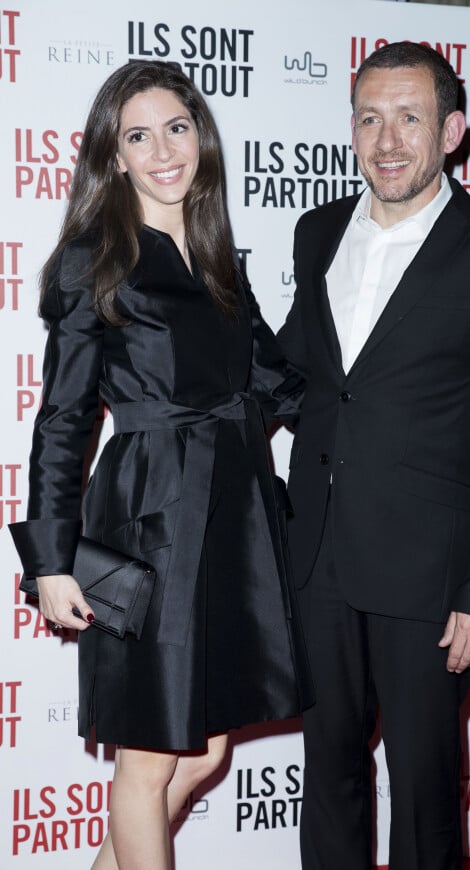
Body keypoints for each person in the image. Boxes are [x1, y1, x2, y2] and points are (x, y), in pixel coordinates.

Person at [10, 60, 312, 870]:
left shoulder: (216, 256)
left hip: (229, 516)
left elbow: (275, 378)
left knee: (206, 751)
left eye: (177, 127)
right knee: (147, 762)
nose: (163, 150)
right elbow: (64, 418)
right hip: (151, 517)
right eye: (137, 135)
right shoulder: (94, 258)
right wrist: (50, 561)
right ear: (114, 155)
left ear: (201, 137)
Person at [277, 42, 470, 870]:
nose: (387, 140)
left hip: (432, 579)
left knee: (424, 792)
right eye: (369, 119)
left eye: (409, 118)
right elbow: (302, 371)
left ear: (453, 130)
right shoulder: (317, 230)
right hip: (319, 553)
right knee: (327, 774)